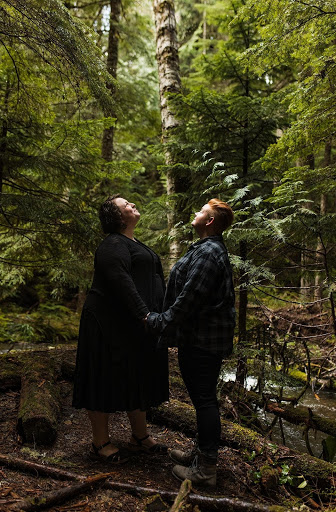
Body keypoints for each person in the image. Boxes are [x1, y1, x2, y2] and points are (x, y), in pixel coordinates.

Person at [72, 195, 169, 464]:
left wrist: (162, 313)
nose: (132, 204)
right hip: (107, 324)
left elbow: (154, 280)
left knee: (136, 375)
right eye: (125, 204)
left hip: (133, 325)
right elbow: (121, 281)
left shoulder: (135, 243)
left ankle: (139, 437)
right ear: (115, 216)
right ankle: (99, 442)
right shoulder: (112, 244)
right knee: (103, 377)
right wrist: (145, 315)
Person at [146, 198, 235, 486]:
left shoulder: (209, 253)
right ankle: (200, 455)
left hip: (203, 341)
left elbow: (189, 299)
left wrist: (161, 321)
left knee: (205, 400)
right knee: (203, 400)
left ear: (209, 221)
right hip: (199, 338)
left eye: (200, 211)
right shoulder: (206, 249)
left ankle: (206, 469)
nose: (195, 213)